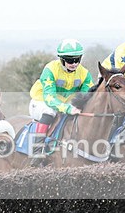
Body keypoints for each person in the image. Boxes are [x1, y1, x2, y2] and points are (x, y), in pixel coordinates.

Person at [28, 38, 93, 166]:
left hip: (65, 105)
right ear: (61, 59)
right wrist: (67, 108)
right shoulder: (50, 69)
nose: (74, 63)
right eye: (70, 60)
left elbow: (86, 96)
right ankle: (37, 152)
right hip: (41, 101)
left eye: (77, 59)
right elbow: (49, 98)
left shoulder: (85, 74)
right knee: (49, 112)